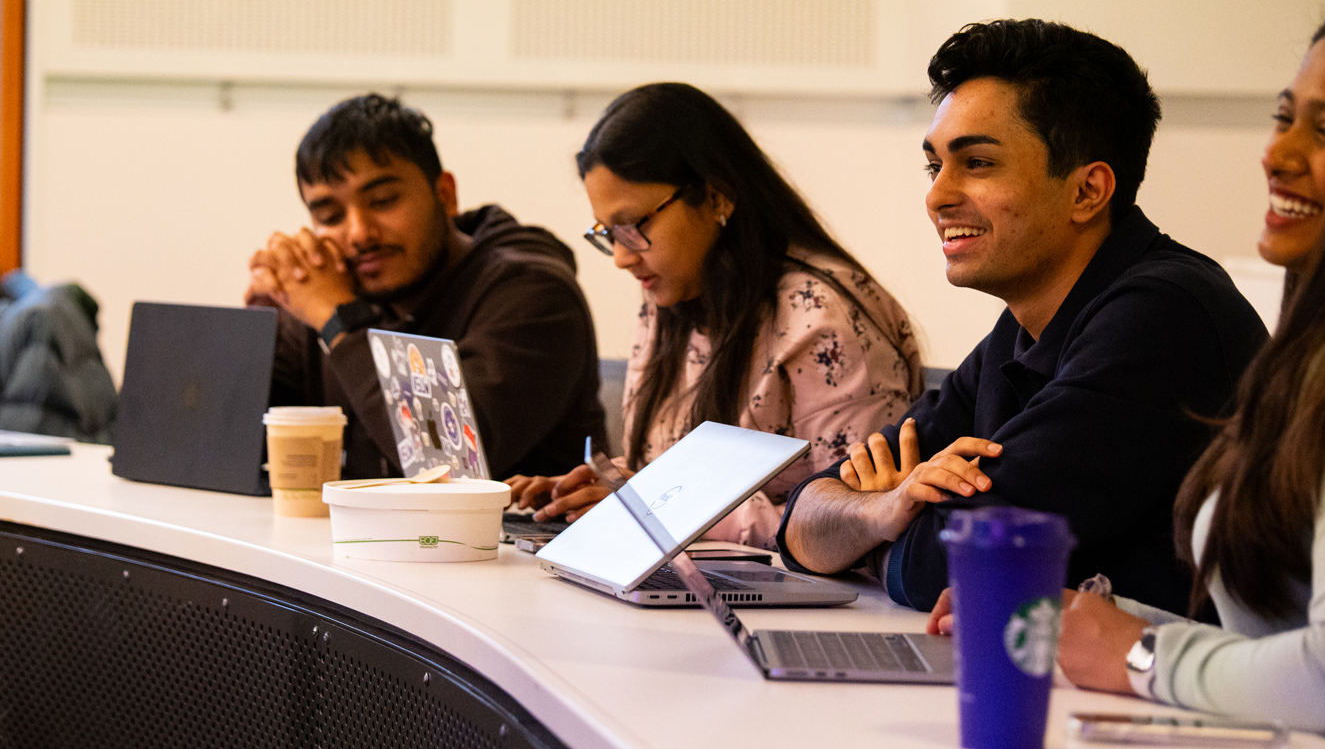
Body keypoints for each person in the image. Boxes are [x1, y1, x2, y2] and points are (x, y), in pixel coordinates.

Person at [1041, 0, 1325, 749]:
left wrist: (1140, 653)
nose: (1277, 154)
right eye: (1284, 117)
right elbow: (1278, 650)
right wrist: (1092, 627)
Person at [777, 20, 1269, 615]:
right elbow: (801, 519)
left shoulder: (1162, 317)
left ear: (1088, 191)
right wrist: (878, 510)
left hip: (1179, 702)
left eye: (978, 163)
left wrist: (874, 534)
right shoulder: (1022, 327)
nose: (937, 196)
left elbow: (956, 570)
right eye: (935, 167)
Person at [507, 83, 923, 550]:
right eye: (607, 233)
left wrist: (650, 507)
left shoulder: (823, 322)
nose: (621, 257)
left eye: (633, 227)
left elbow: (859, 520)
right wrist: (602, 489)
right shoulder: (670, 300)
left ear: (716, 195)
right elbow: (678, 475)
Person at [246, 94, 608, 480]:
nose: (359, 234)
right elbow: (225, 441)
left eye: (383, 201)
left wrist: (339, 323)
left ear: (445, 194)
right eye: (331, 215)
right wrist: (258, 327)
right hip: (364, 539)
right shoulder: (330, 287)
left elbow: (449, 463)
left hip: (511, 540)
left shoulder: (535, 296)